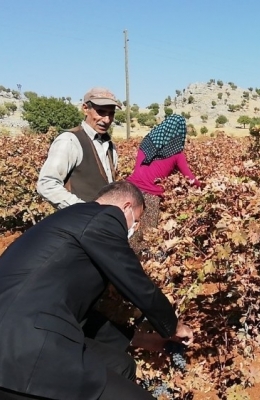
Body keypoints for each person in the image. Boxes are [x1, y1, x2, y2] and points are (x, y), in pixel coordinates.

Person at [0, 181, 193, 399]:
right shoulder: (104, 217)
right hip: (23, 348)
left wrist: (145, 340)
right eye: (136, 220)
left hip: (23, 330)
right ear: (126, 206)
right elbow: (134, 280)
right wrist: (173, 326)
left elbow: (78, 314)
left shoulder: (71, 222)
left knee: (121, 365)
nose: (134, 228)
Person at [37, 87, 121, 209]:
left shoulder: (110, 146)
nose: (107, 120)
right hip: (76, 223)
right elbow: (47, 184)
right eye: (101, 112)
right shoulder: (69, 141)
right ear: (85, 109)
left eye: (111, 114)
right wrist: (82, 210)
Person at [126, 114, 201, 251]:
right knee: (145, 238)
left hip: (129, 190)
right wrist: (202, 186)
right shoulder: (176, 153)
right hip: (150, 197)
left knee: (124, 231)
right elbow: (190, 178)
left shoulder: (146, 143)